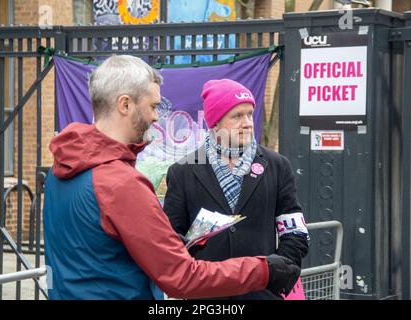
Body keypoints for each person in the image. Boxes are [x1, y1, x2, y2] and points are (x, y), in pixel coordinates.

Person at [43, 55, 300, 300]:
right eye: (153, 106)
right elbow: (180, 275)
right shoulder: (121, 183)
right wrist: (264, 270)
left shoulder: (61, 168)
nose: (156, 116)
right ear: (125, 104)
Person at [163, 79, 309, 300]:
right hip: (206, 297)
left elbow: (295, 232)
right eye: (237, 116)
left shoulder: (277, 166)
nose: (247, 123)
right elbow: (172, 239)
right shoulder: (182, 172)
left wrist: (277, 275)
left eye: (249, 114)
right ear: (215, 123)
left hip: (263, 294)